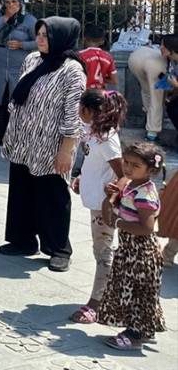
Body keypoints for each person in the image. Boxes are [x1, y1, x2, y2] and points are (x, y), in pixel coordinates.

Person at [0, 17, 87, 272]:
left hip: (51, 144)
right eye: (38, 34)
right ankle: (23, 240)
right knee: (21, 190)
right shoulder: (32, 60)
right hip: (23, 139)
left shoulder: (72, 70)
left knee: (53, 196)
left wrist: (67, 149)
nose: (39, 39)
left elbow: (73, 113)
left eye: (45, 35)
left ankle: (58, 248)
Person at [97, 143, 167, 351]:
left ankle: (136, 334)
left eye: (135, 165)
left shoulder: (144, 193)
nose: (127, 168)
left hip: (141, 252)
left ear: (150, 170)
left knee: (137, 294)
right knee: (138, 292)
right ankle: (144, 329)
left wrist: (117, 222)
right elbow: (120, 207)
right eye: (126, 162)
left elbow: (145, 227)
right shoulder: (132, 185)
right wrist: (111, 196)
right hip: (130, 248)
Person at [69, 89, 127, 325]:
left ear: (88, 110)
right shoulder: (93, 133)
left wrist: (111, 199)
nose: (77, 111)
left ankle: (96, 303)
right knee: (100, 249)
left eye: (79, 106)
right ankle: (109, 295)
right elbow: (97, 163)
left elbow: (123, 173)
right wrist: (83, 178)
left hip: (105, 206)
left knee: (103, 252)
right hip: (95, 201)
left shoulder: (106, 138)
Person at [0, 0, 37, 142]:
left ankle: (13, 135)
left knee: (14, 97)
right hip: (0, 62)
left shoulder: (29, 20)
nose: (11, 5)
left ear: (20, 4)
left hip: (18, 63)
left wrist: (23, 44)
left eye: (14, 2)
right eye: (7, 2)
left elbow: (40, 41)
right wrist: (6, 17)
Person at [126, 38, 176, 143]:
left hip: (137, 59)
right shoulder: (161, 60)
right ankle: (152, 133)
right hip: (150, 63)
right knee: (156, 98)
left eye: (164, 46)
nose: (160, 47)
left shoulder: (161, 57)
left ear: (172, 50)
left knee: (148, 93)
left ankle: (151, 127)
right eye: (161, 44)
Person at [78, 24, 117, 90]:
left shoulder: (79, 55)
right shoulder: (108, 57)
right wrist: (100, 78)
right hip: (100, 94)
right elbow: (114, 81)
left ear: (84, 39)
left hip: (84, 93)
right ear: (102, 41)